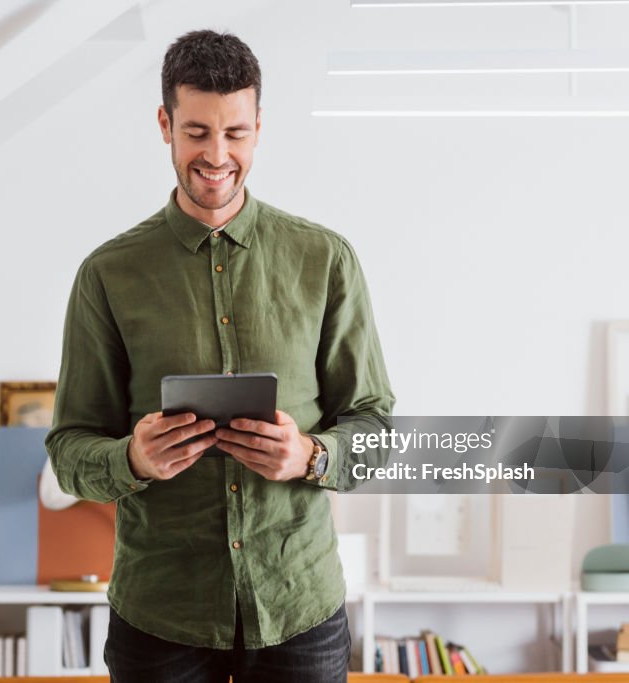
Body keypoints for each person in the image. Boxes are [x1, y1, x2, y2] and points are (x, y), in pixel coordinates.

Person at [45, 29, 394, 683]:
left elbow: (376, 428)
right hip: (160, 613)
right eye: (198, 131)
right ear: (165, 125)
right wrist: (132, 458)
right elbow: (68, 452)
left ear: (258, 128)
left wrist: (310, 455)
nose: (217, 154)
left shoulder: (325, 260)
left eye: (235, 132)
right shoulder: (108, 274)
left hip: (297, 606)